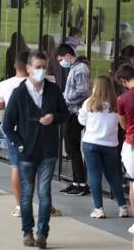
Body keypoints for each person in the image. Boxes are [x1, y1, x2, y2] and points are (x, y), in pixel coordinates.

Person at [3, 52, 69, 249]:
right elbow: (7, 125)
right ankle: (27, 232)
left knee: (44, 192)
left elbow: (65, 114)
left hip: (47, 150)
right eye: (38, 67)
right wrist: (19, 144)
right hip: (27, 151)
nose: (42, 71)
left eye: (44, 67)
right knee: (27, 193)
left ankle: (42, 233)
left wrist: (53, 118)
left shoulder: (53, 90)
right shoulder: (19, 93)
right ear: (29, 68)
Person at [78, 76, 131, 219]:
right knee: (113, 176)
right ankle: (123, 207)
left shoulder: (89, 103)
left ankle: (99, 209)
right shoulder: (116, 103)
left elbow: (81, 120)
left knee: (94, 176)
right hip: (110, 145)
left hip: (91, 143)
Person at [0, 51, 29, 215]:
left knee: (15, 166)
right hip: (33, 130)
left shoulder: (5, 84)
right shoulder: (38, 84)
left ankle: (19, 205)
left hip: (13, 129)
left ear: (15, 66)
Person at [56, 43, 91, 196]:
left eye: (60, 60)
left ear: (67, 56)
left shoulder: (81, 69)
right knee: (70, 148)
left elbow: (83, 91)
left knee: (73, 147)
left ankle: (81, 183)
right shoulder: (74, 68)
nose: (60, 63)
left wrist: (66, 99)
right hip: (70, 111)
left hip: (76, 113)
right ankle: (76, 181)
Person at [116, 65, 134, 234]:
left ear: (123, 80)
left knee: (133, 182)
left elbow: (123, 124)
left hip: (131, 142)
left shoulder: (122, 99)